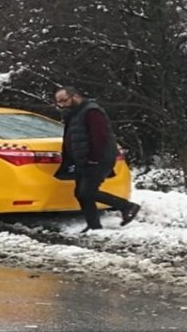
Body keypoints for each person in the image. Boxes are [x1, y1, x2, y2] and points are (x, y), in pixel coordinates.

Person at [54, 86, 142, 231]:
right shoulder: (74, 114)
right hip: (83, 160)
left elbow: (99, 136)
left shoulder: (91, 112)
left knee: (87, 192)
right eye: (59, 102)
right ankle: (93, 226)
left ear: (75, 96)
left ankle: (127, 206)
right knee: (81, 194)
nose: (61, 105)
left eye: (64, 100)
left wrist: (94, 158)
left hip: (98, 159)